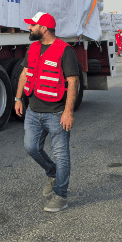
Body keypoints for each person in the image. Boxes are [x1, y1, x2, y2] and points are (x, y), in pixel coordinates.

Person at [14, 12, 79, 212]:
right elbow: (25, 73)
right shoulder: (33, 47)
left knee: (61, 155)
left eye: (32, 26)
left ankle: (61, 196)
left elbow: (73, 81)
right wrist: (18, 98)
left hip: (56, 113)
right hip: (33, 111)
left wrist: (68, 112)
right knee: (31, 147)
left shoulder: (64, 50)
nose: (29, 29)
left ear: (44, 28)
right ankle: (52, 172)